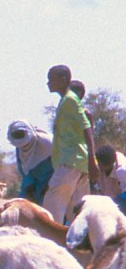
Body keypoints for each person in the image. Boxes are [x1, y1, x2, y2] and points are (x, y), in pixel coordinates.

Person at [42, 64, 98, 224]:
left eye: (51, 79)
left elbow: (86, 127)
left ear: (63, 79)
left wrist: (92, 161)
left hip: (70, 163)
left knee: (51, 212)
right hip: (77, 164)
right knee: (78, 215)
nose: (48, 83)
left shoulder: (70, 100)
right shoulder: (66, 101)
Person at [7, 120, 54, 203]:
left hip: (50, 184)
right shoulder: (19, 147)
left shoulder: (48, 143)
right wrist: (28, 187)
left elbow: (59, 165)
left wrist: (50, 185)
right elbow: (24, 171)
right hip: (31, 184)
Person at [95, 145, 126, 211]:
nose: (98, 166)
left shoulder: (122, 171)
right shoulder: (100, 169)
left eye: (100, 165)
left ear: (109, 165)